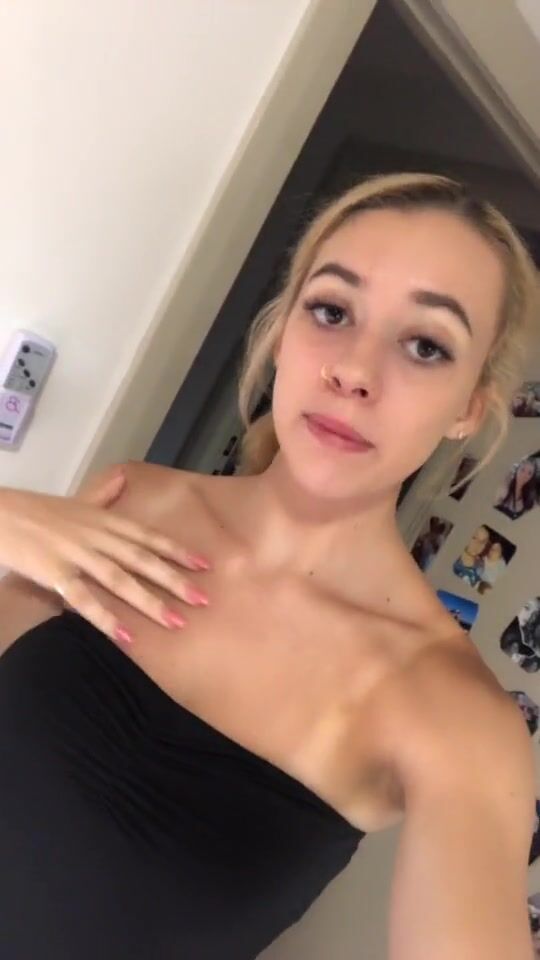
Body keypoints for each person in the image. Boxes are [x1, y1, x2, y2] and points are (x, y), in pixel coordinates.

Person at [0, 172, 538, 960]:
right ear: (283, 333)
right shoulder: (133, 500)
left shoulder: (450, 714)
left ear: (467, 408)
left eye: (426, 346)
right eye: (332, 311)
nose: (354, 371)